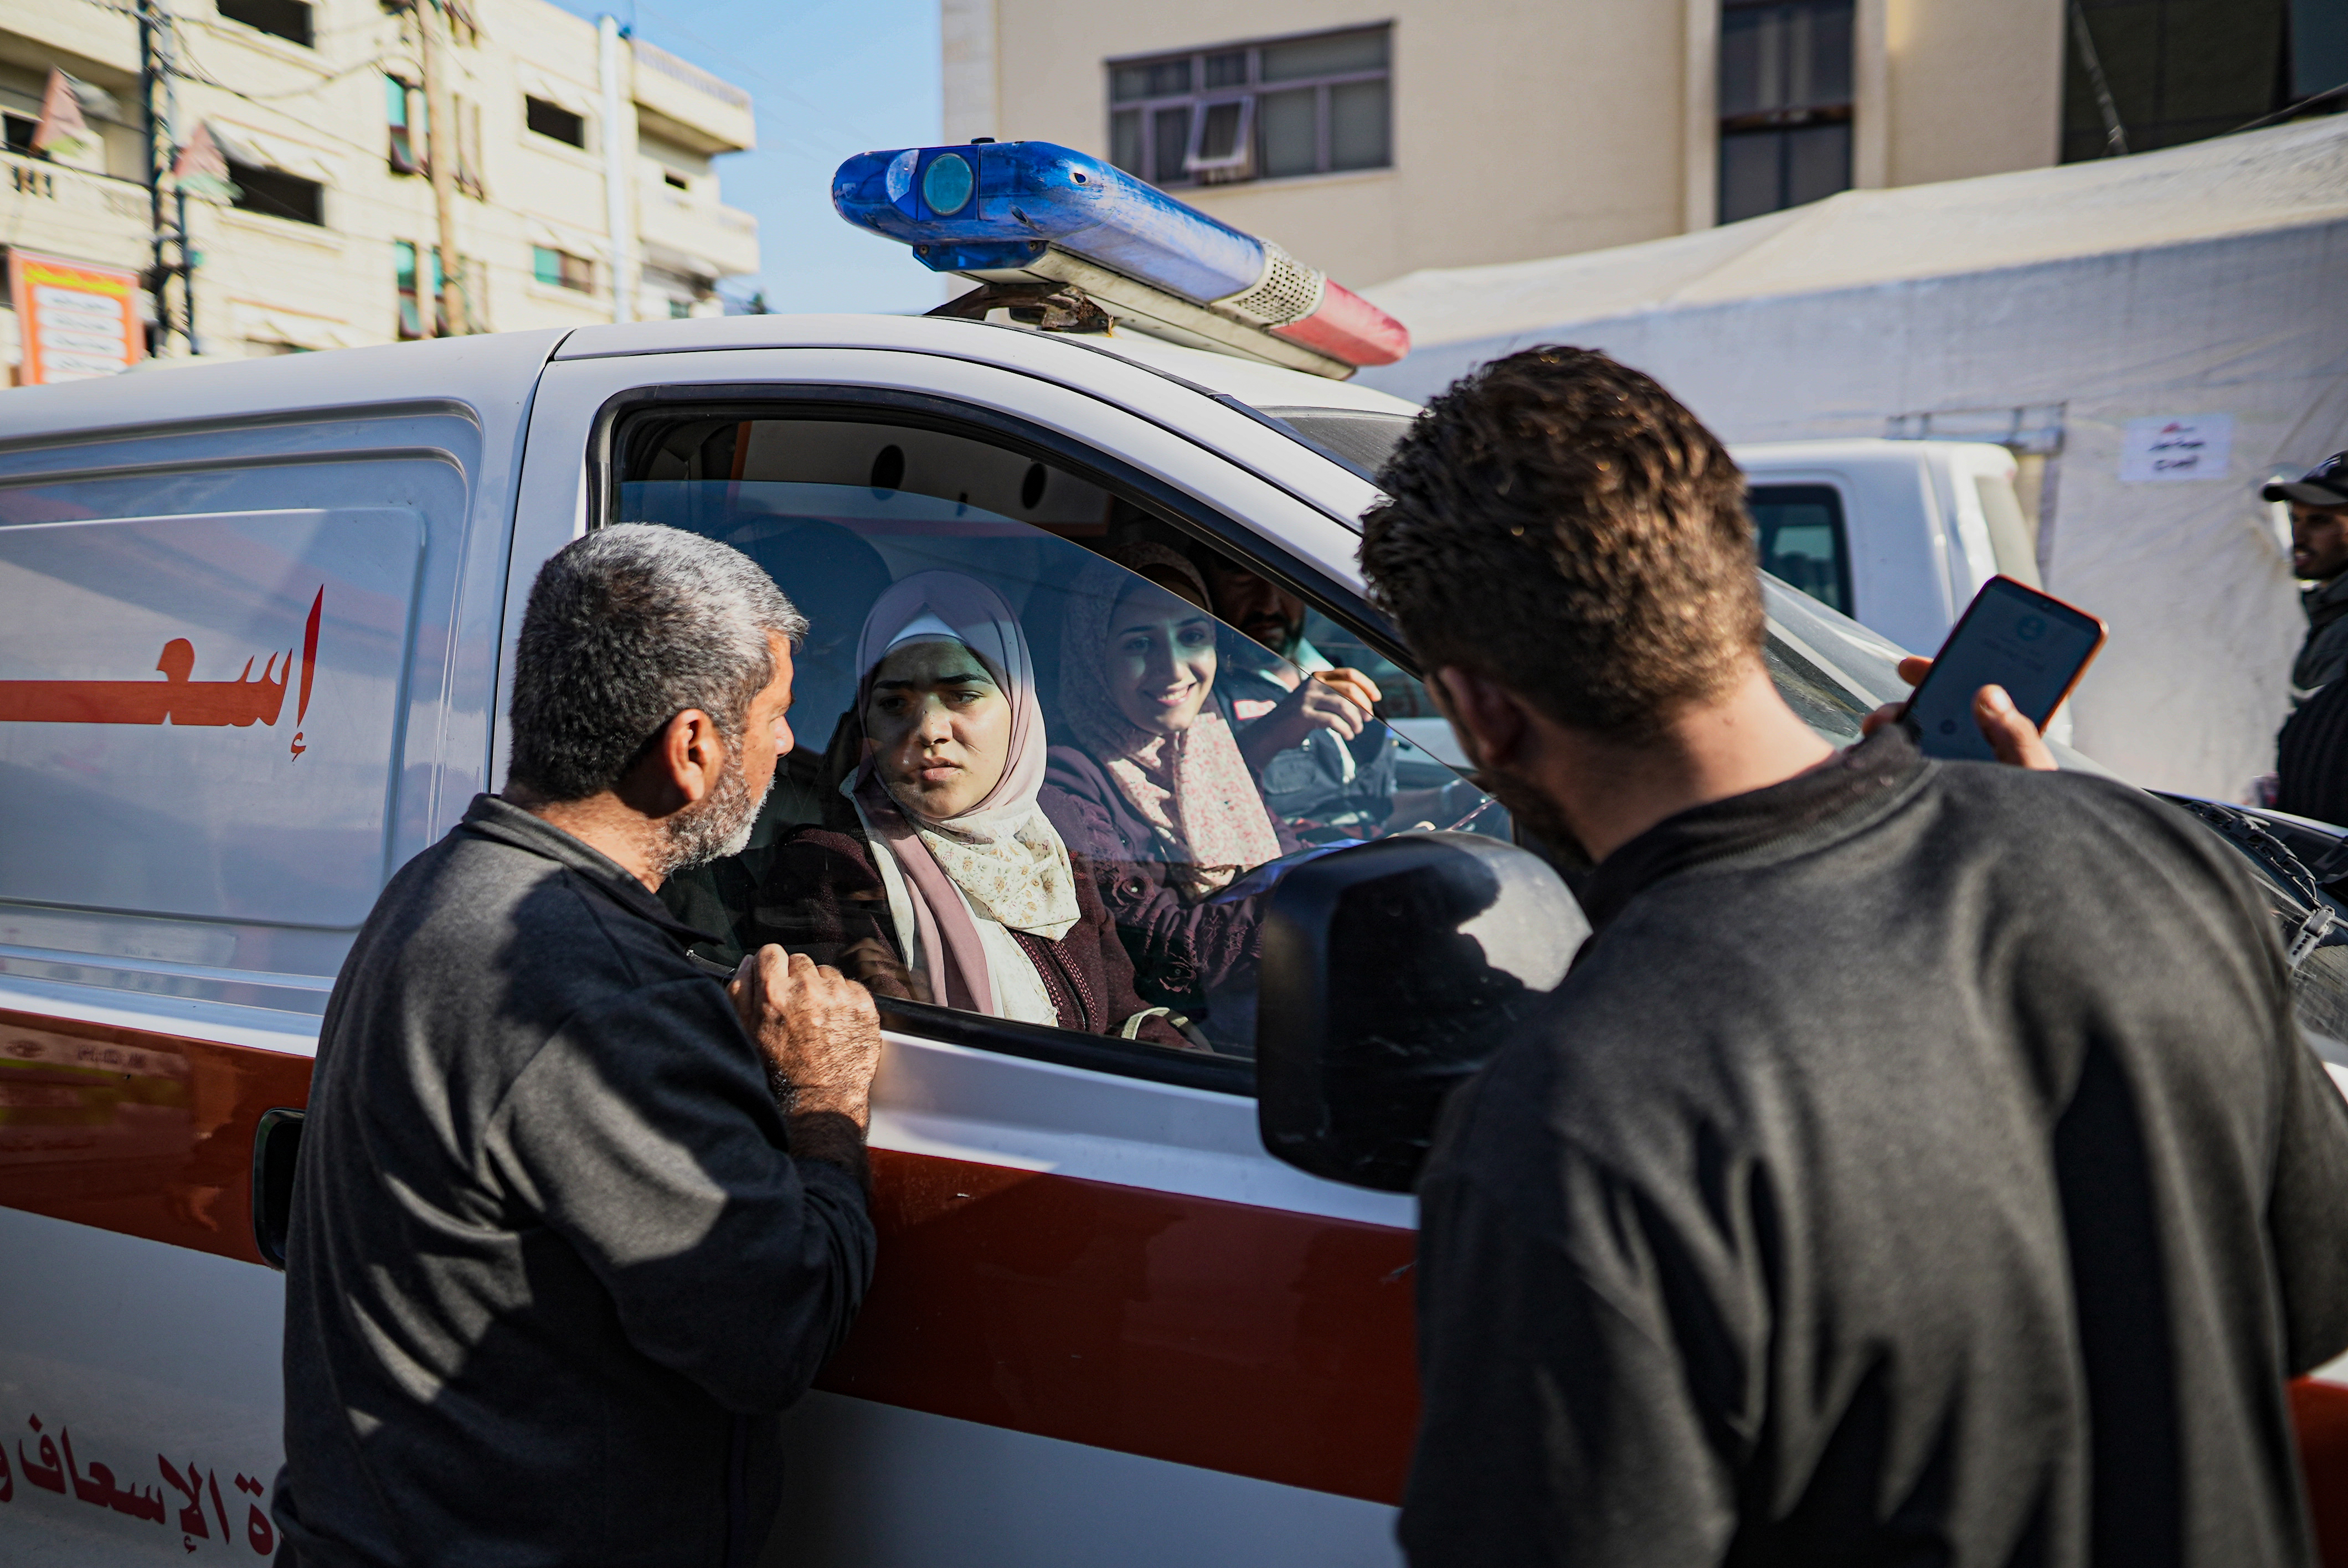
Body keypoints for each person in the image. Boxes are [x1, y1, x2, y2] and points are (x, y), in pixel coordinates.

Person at [1360, 347, 2348, 1568]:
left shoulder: (1580, 1116)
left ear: (1477, 711)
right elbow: (2311, 1296)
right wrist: (2076, 843)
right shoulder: (2151, 860)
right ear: (1735, 587)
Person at [275, 524, 883, 1567]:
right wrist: (825, 1099)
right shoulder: (599, 988)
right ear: (694, 748)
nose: (793, 747)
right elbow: (773, 1326)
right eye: (777, 717)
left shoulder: (444, 885)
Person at [753, 570, 1189, 1046]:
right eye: (895, 703)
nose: (930, 729)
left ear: (1018, 707)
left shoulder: (1052, 835)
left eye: (962, 695)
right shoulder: (836, 868)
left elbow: (1125, 1016)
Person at [1041, 545, 1300, 1021]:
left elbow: (1284, 856)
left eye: (1193, 636)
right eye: (1140, 643)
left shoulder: (1207, 744)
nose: (1176, 670)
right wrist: (1310, 908)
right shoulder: (1065, 780)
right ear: (1092, 653)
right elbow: (1171, 947)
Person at [1194, 549, 1397, 835]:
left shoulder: (1340, 671)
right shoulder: (1197, 692)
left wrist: (1449, 799)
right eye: (1242, 576)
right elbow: (1195, 805)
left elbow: (1373, 810)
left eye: (1285, 581)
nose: (1267, 605)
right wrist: (1273, 731)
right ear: (1205, 582)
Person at [2271, 452, 2348, 705]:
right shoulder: (2332, 617)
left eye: (2319, 521)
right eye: (2295, 519)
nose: (2299, 537)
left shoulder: (2341, 637)